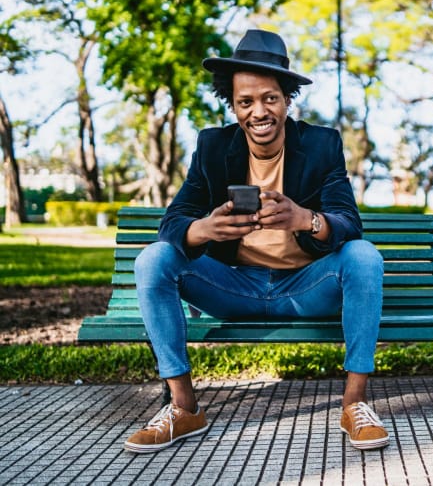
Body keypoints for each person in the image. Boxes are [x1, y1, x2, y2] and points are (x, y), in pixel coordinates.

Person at [124, 29, 389, 454]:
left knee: (362, 256)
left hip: (305, 288)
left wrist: (306, 218)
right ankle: (184, 407)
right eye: (245, 102)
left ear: (287, 99)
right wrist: (203, 230)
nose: (258, 111)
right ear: (233, 106)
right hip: (233, 286)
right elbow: (173, 221)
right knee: (154, 259)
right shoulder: (212, 146)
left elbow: (348, 223)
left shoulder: (322, 145)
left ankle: (354, 404)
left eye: (269, 98)